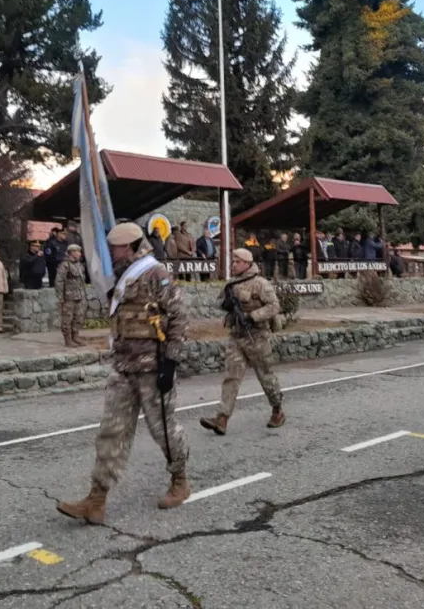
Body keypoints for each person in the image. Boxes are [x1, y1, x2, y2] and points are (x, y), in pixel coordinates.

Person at [56, 223, 191, 524]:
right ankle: (96, 499)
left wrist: (170, 362)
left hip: (153, 366)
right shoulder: (120, 275)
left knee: (163, 431)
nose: (111, 253)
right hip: (124, 367)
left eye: (115, 248)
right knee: (111, 432)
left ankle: (180, 480)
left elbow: (179, 318)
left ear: (130, 247)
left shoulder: (156, 274)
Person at [200, 248, 285, 435]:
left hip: (257, 336)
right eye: (233, 262)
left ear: (247, 263)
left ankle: (277, 409)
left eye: (237, 262)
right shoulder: (232, 284)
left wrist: (252, 316)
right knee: (231, 377)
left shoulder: (260, 284)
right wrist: (227, 304)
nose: (234, 264)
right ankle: (222, 418)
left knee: (265, 375)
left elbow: (274, 306)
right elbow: (220, 302)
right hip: (237, 336)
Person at [56, 244, 86, 347]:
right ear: (72, 253)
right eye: (77, 252)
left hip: (79, 295)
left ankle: (75, 336)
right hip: (68, 297)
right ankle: (67, 339)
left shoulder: (79, 265)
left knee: (78, 317)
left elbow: (81, 281)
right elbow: (59, 281)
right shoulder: (65, 265)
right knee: (67, 318)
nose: (80, 254)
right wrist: (60, 297)